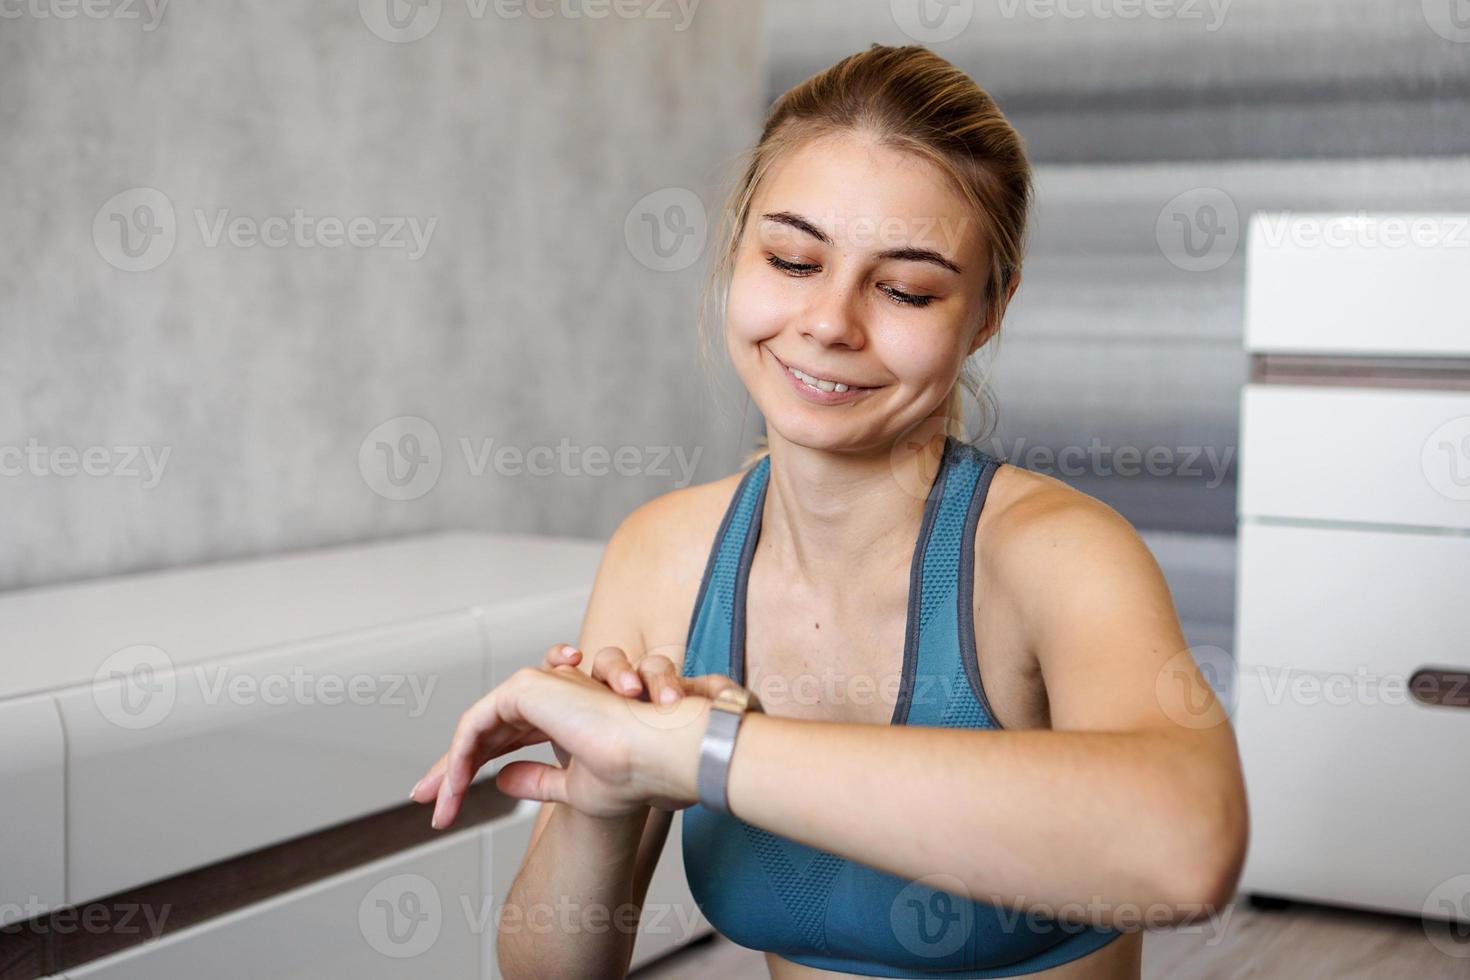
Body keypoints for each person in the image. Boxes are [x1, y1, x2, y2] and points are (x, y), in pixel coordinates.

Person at [410, 43, 1248, 980]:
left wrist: (701, 750)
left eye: (904, 288)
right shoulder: (664, 556)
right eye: (793, 259)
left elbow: (1191, 847)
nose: (830, 323)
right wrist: (608, 792)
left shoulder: (1056, 555)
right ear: (737, 252)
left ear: (986, 312)